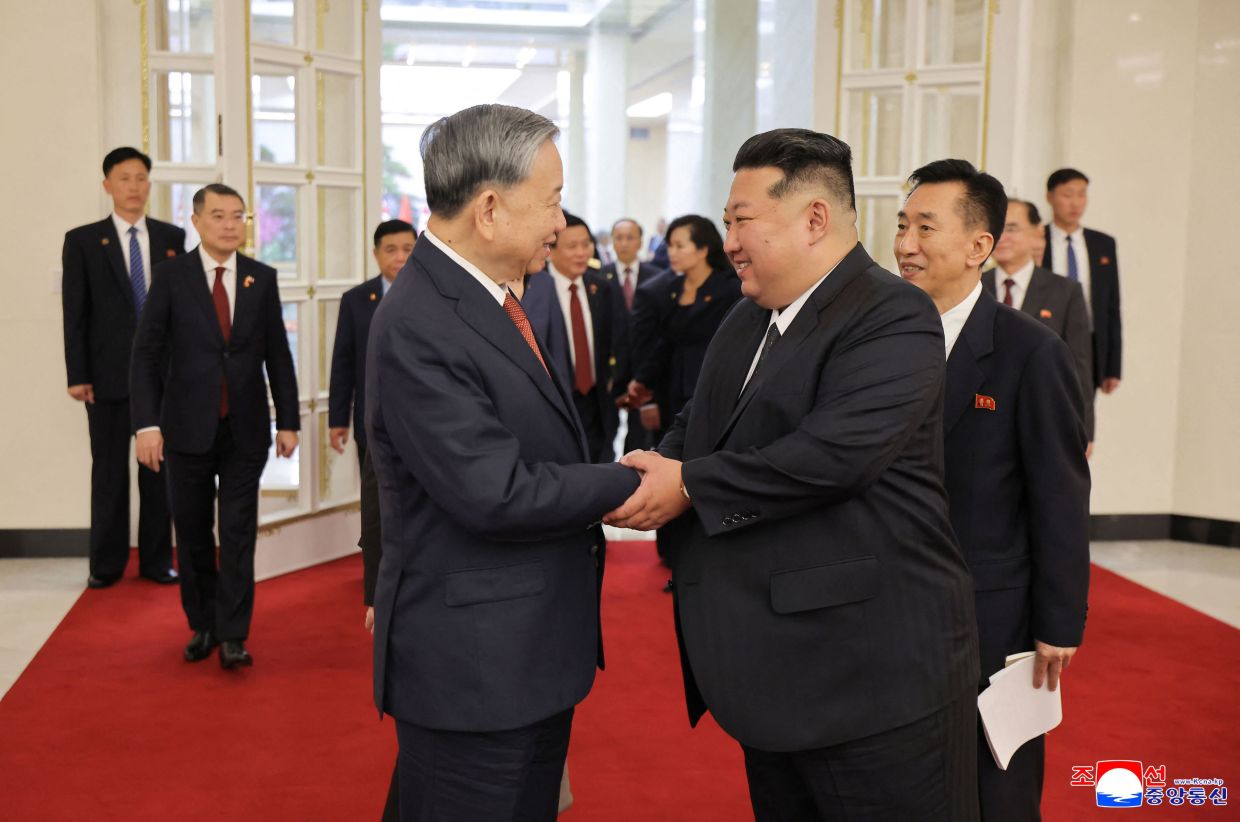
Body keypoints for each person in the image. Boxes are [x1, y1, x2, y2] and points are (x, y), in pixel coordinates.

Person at [605, 128, 981, 820]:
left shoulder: (892, 315)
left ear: (814, 218)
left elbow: (831, 457)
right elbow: (698, 424)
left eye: (742, 221)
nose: (731, 242)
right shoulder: (749, 318)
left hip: (871, 684)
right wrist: (641, 473)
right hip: (775, 675)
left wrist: (687, 485)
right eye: (726, 222)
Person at [365, 103, 639, 821]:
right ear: (489, 208)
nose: (560, 222)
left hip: (522, 652)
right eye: (550, 201)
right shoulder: (422, 320)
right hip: (475, 668)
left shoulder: (490, 298)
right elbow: (495, 490)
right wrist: (629, 481)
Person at [896, 159, 1090, 821]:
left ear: (980, 246)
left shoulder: (1028, 352)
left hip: (989, 615)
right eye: (901, 225)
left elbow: (1059, 493)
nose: (904, 244)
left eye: (925, 227)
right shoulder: (879, 343)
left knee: (994, 789)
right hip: (887, 611)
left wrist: (1058, 622)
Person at [131, 183, 299, 669]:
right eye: (219, 215)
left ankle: (233, 633)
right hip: (185, 428)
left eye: (238, 216)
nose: (230, 224)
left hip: (245, 430)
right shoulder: (170, 277)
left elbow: (277, 357)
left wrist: (287, 421)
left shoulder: (260, 278)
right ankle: (202, 624)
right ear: (198, 221)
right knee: (195, 532)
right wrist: (146, 424)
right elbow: (145, 355)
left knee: (239, 531)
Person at [62, 146, 183, 589]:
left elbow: (179, 311)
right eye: (124, 178)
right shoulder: (83, 240)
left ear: (149, 185)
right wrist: (78, 374)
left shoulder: (171, 238)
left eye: (140, 178)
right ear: (107, 185)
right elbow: (75, 313)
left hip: (161, 376)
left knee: (158, 471)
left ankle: (156, 561)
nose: (133, 187)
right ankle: (106, 564)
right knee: (109, 471)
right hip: (106, 375)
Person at [985, 199, 1095, 450]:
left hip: (1043, 420)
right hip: (984, 421)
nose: (1002, 237)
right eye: (996, 228)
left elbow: (1079, 364)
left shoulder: (1065, 291)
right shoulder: (975, 287)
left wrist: (1085, 428)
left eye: (1011, 228)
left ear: (1037, 233)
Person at [623, 216, 741, 443]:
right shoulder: (667, 290)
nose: (672, 253)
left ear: (702, 249)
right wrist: (644, 386)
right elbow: (660, 345)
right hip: (670, 391)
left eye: (680, 246)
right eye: (669, 246)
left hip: (711, 390)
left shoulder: (730, 289)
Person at [539, 211, 628, 463]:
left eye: (586, 244)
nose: (582, 253)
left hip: (598, 400)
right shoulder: (534, 287)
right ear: (551, 249)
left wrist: (616, 381)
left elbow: (619, 340)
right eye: (572, 246)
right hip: (558, 400)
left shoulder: (602, 287)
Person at [329, 220, 416, 467]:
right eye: (391, 250)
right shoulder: (355, 300)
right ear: (376, 254)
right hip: (372, 418)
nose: (400, 257)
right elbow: (343, 364)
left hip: (422, 417)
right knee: (375, 496)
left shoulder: (436, 297)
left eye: (408, 249)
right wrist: (338, 420)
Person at [1041, 168, 1122, 397]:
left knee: (1082, 411)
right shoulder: (1037, 239)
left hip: (1089, 341)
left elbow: (1111, 306)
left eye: (1082, 194)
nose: (1075, 203)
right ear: (1050, 197)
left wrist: (1112, 366)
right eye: (1067, 195)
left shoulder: (1103, 244)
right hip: (1048, 336)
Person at [600, 218, 662, 454]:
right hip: (610, 371)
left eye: (630, 237)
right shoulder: (597, 278)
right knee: (606, 432)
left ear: (640, 242)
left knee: (640, 438)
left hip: (644, 370)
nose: (624, 243)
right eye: (619, 238)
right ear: (612, 242)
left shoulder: (657, 277)